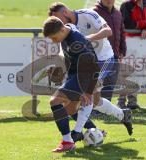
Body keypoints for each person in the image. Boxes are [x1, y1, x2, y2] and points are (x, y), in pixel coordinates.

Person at [48, 2, 133, 142]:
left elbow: (108, 31)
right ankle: (123, 115)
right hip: (84, 65)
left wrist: (87, 39)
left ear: (64, 13)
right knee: (94, 100)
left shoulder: (87, 14)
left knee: (89, 93)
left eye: (58, 19)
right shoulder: (66, 30)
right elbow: (66, 54)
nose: (58, 23)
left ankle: (76, 132)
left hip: (103, 59)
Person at [43, 16, 99, 152]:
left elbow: (94, 67)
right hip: (76, 75)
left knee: (55, 101)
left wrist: (88, 92)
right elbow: (69, 24)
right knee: (70, 109)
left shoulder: (76, 43)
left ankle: (67, 142)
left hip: (84, 76)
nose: (53, 41)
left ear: (62, 30)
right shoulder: (67, 29)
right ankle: (95, 131)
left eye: (54, 38)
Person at [119, 0, 146, 109]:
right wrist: (145, 24)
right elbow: (127, 24)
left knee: (136, 72)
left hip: (142, 44)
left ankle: (132, 102)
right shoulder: (126, 5)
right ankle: (121, 101)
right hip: (128, 43)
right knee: (125, 72)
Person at [93, 0, 126, 103]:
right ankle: (93, 110)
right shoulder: (94, 13)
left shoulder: (118, 13)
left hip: (114, 56)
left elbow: (122, 32)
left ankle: (104, 111)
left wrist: (122, 50)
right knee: (95, 85)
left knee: (109, 86)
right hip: (98, 57)